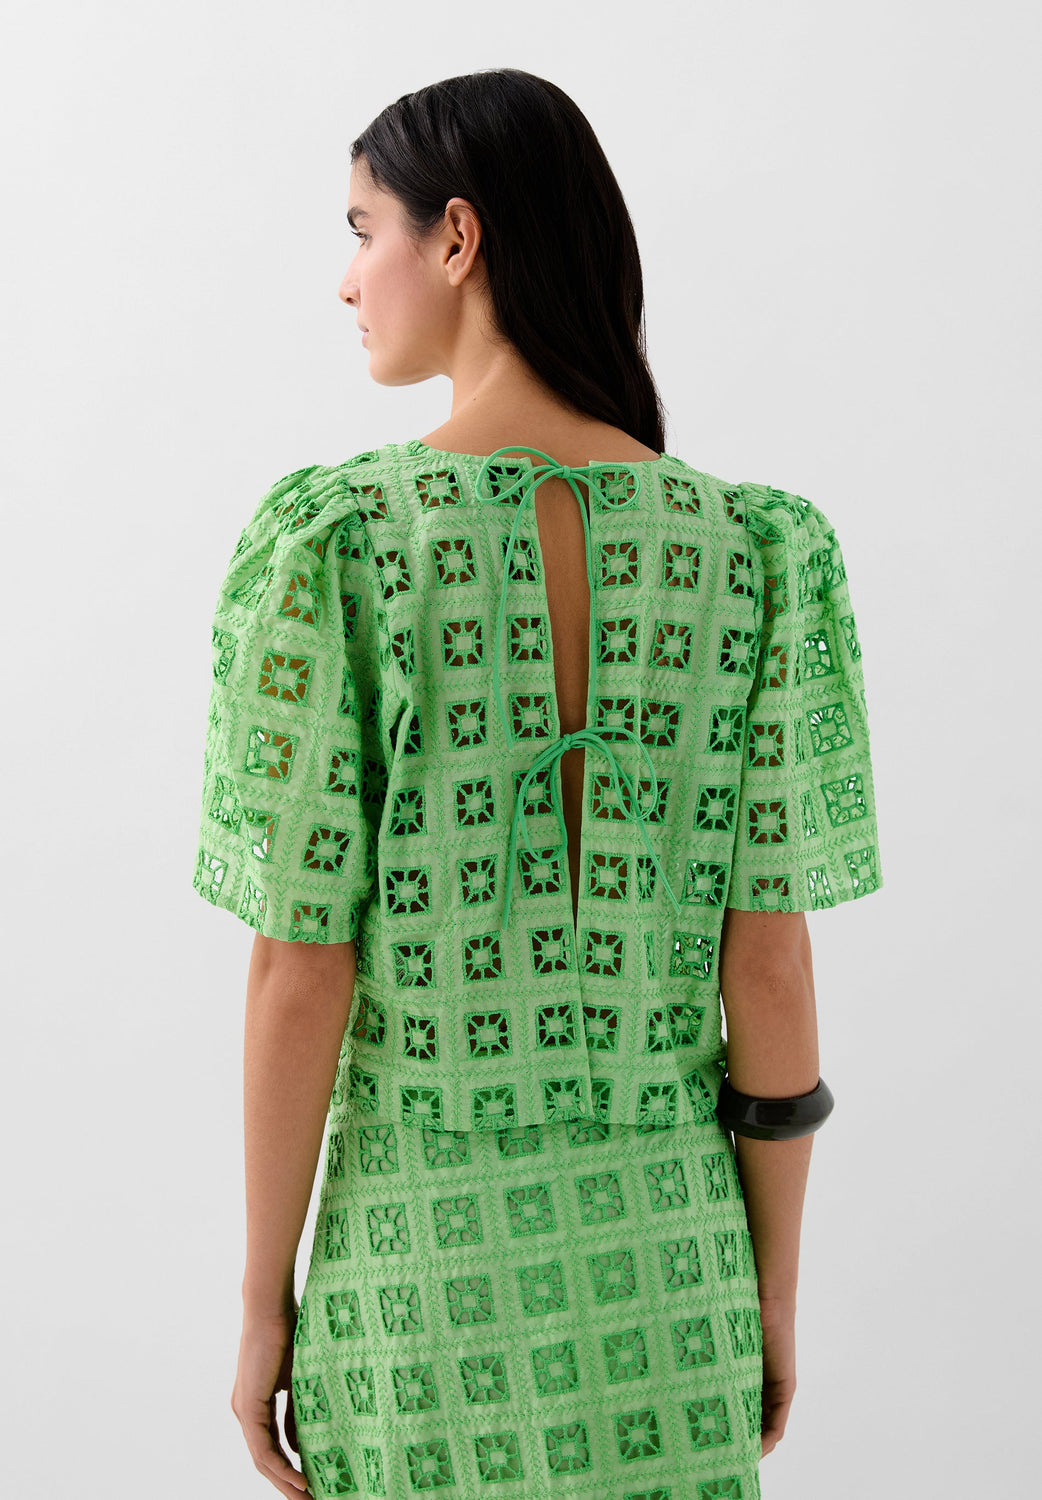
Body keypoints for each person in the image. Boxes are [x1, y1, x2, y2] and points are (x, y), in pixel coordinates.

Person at [192, 68, 883, 1500]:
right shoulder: (753, 556)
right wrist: (767, 1289)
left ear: (457, 237)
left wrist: (264, 1301)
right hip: (670, 1281)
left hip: (418, 1289)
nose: (345, 279)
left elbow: (299, 967)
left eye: (362, 229)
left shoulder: (345, 544)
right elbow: (768, 962)